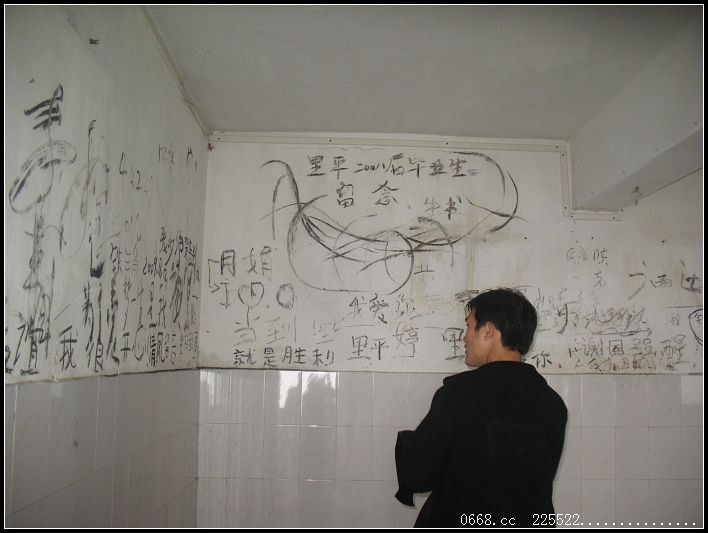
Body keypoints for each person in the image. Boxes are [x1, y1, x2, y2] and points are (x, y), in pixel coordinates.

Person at [395, 288, 567, 527]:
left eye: (468, 326)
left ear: (489, 331)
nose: (464, 338)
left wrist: (410, 444)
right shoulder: (553, 404)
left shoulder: (457, 395)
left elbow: (418, 475)